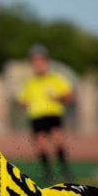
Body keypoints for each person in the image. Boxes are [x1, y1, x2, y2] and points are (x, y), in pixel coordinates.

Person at [17, 44, 73, 183]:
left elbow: (68, 97)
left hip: (53, 114)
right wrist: (24, 104)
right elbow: (22, 100)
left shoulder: (55, 79)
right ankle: (48, 173)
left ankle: (64, 170)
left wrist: (57, 97)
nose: (38, 64)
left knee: (58, 140)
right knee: (41, 144)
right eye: (35, 61)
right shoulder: (29, 83)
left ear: (46, 62)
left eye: (41, 61)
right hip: (36, 116)